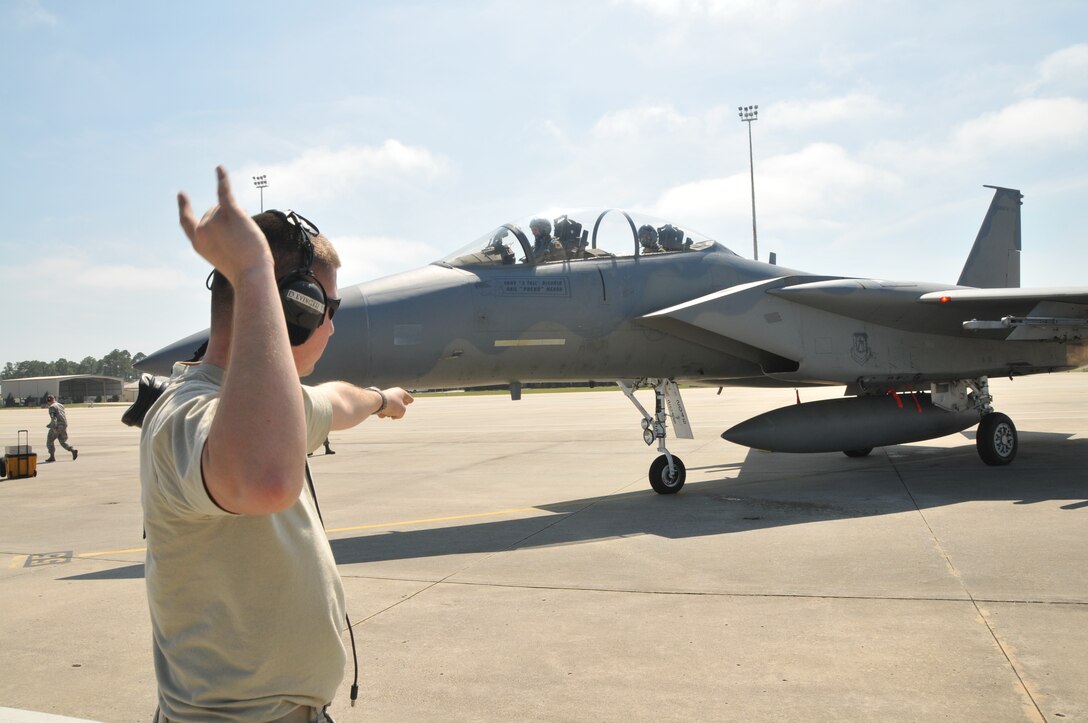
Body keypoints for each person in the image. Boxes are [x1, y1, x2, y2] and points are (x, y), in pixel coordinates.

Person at [141, 166, 414, 722]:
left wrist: (380, 398)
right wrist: (254, 270)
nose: (332, 329)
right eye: (326, 310)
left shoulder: (276, 409)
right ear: (296, 310)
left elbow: (334, 402)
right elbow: (263, 477)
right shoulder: (184, 414)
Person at [44, 394, 77, 463]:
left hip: (57, 426)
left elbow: (54, 418)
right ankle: (72, 449)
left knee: (50, 440)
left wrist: (54, 427)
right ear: (54, 399)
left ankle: (52, 456)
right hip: (64, 424)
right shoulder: (60, 405)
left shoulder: (51, 407)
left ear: (49, 401)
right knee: (62, 441)